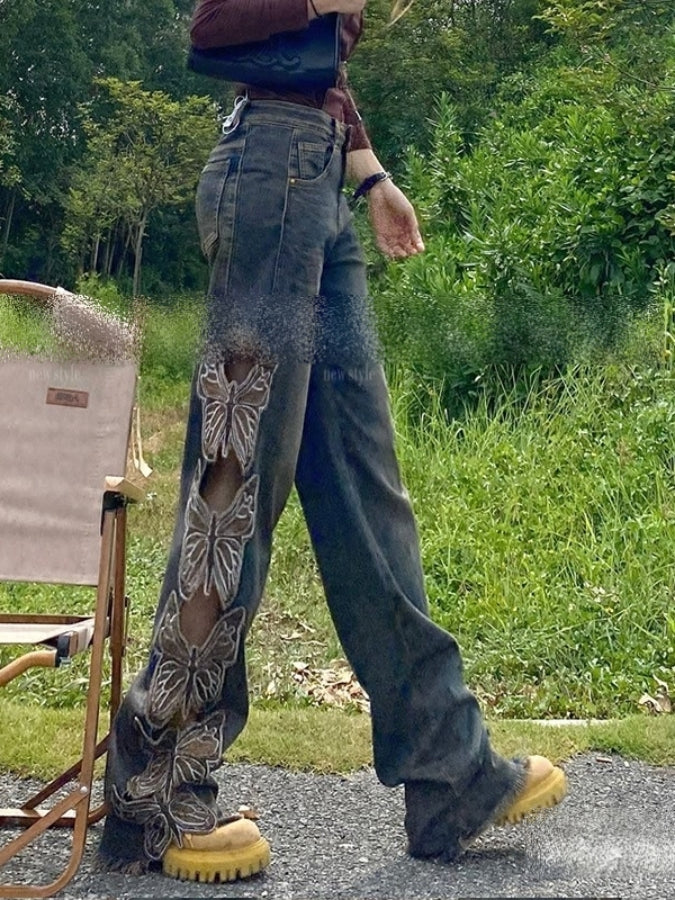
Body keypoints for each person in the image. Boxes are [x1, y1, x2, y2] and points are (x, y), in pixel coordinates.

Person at [97, 0, 568, 883]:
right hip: (266, 185)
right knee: (233, 486)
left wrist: (371, 176)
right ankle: (156, 787)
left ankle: (448, 769)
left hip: (316, 187)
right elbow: (211, 24)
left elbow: (319, 73)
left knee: (364, 487)